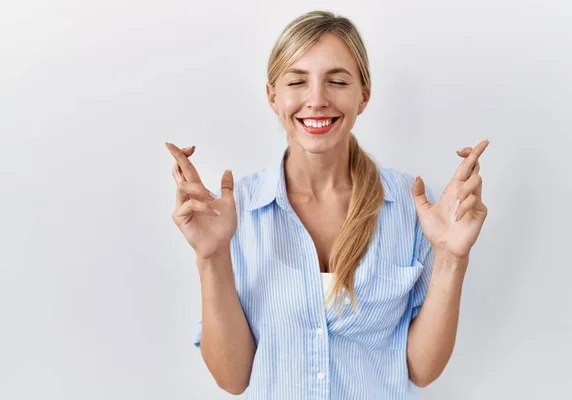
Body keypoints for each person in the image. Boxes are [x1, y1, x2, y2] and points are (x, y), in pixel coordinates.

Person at [165, 10, 489, 400]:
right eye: (297, 82)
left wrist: (453, 257)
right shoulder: (236, 213)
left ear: (363, 95)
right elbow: (234, 378)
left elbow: (421, 370)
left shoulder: (412, 207)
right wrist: (211, 255)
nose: (316, 100)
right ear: (272, 95)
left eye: (337, 81)